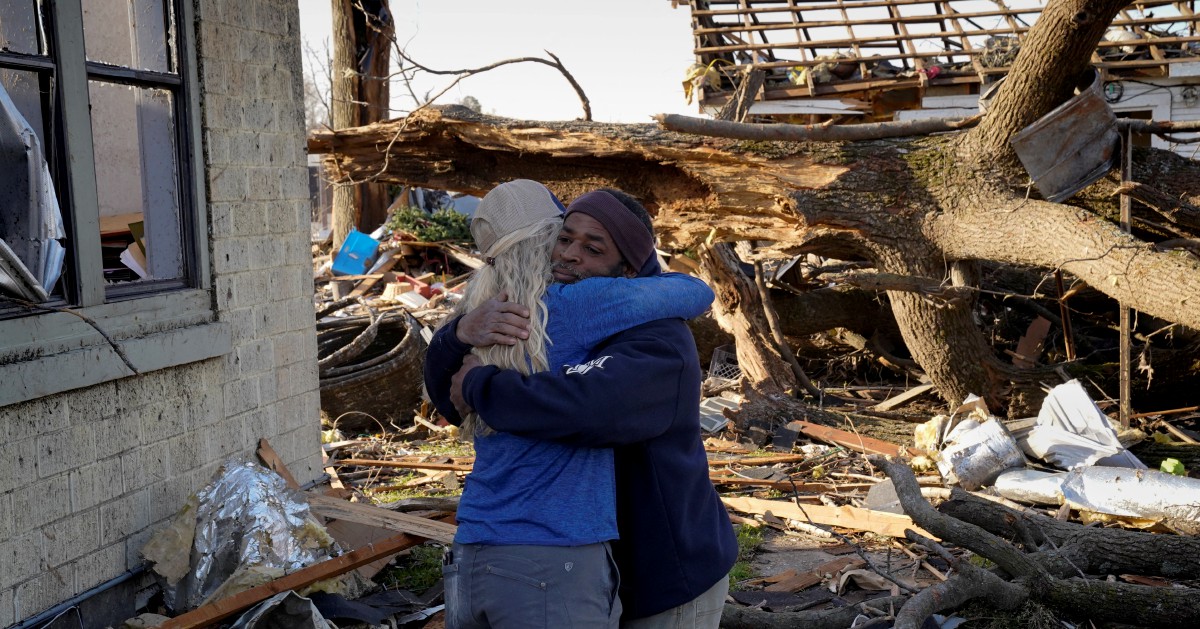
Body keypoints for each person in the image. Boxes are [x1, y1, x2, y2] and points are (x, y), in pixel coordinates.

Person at [438, 190, 739, 629]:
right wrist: (458, 334)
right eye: (564, 239)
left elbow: (590, 409)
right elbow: (446, 392)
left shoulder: (654, 336)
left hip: (663, 572)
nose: (570, 256)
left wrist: (481, 384)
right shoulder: (522, 311)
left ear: (631, 269)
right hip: (573, 565)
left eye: (593, 248)